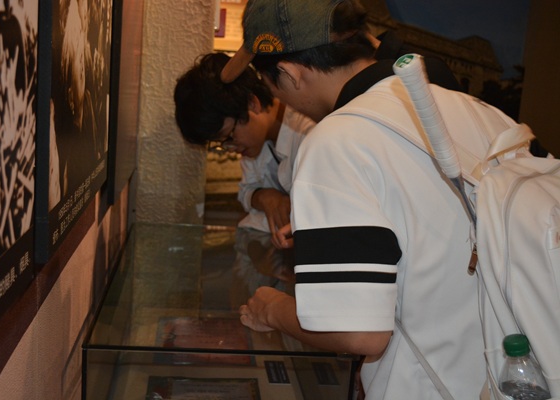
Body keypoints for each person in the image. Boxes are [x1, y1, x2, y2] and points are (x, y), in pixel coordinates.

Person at [221, 0, 493, 398]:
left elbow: (358, 333)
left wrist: (272, 309)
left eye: (269, 84)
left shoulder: (336, 141)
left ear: (291, 74)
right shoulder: (476, 109)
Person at [173, 52, 315, 245]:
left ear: (252, 103)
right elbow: (246, 191)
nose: (231, 148)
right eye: (222, 143)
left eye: (229, 136)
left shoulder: (309, 133)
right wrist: (264, 197)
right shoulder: (254, 143)